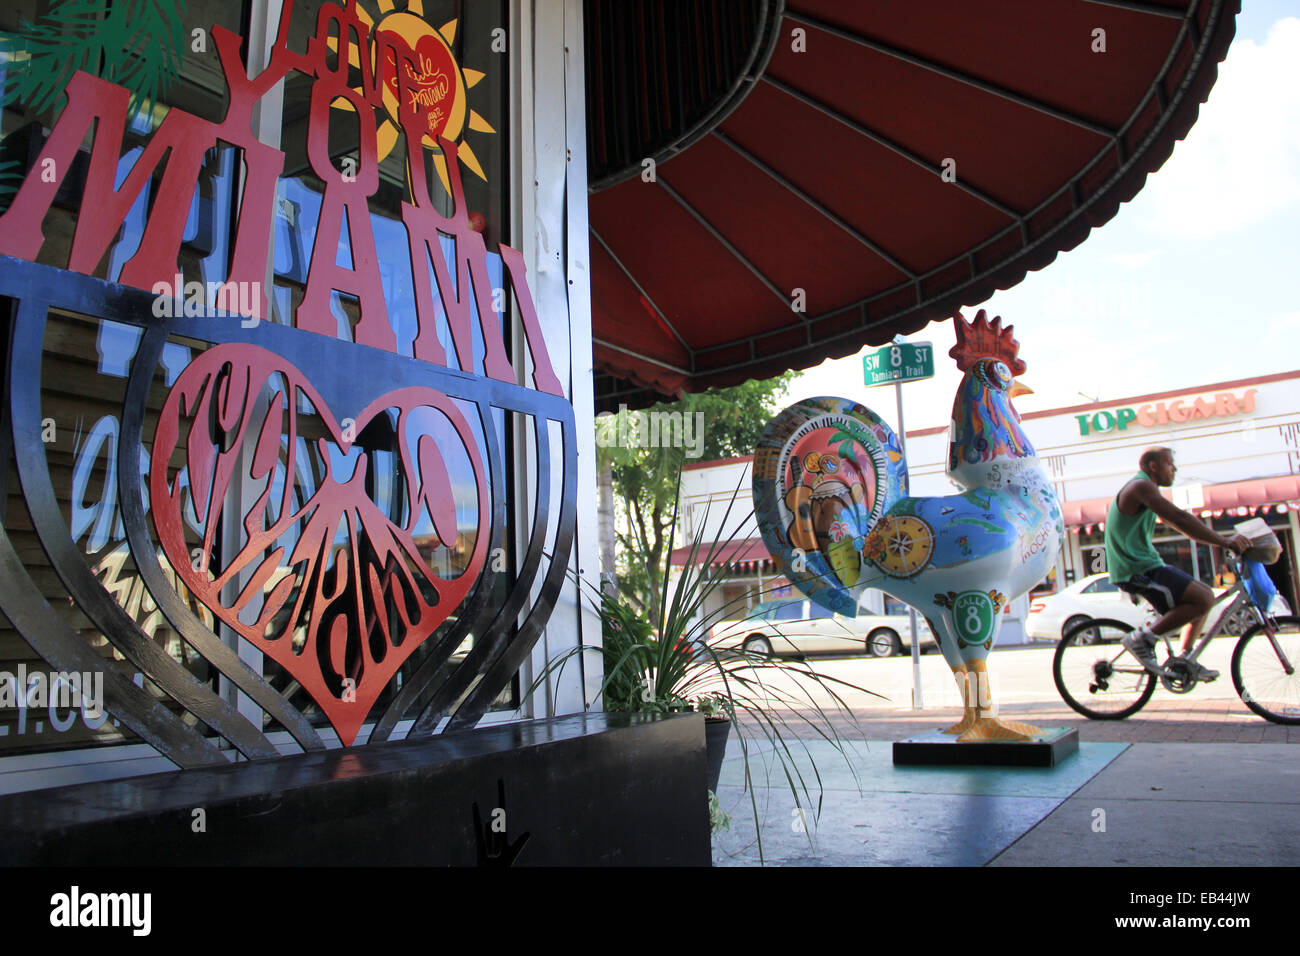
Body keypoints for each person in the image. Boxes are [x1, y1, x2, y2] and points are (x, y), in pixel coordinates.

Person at [1104, 447, 1250, 680]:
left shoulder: (1146, 489)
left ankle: (1184, 660)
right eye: (1170, 464)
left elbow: (1180, 522)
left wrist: (1219, 541)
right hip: (1135, 569)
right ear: (1153, 466)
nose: (1175, 469)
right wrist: (1224, 541)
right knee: (1202, 599)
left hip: (1145, 564)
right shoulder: (1142, 486)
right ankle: (1142, 640)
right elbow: (1181, 519)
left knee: (1205, 596)